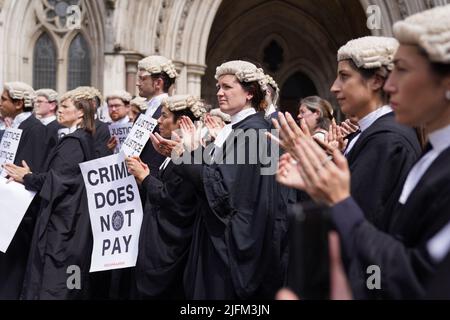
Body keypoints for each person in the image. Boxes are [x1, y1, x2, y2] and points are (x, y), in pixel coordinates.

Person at [277, 4, 450, 299]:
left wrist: (333, 191)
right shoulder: (429, 153)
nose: (391, 84)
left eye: (403, 70)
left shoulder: (391, 141)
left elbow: (416, 275)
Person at [177, 60, 286, 299]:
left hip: (233, 248)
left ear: (249, 93)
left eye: (227, 87)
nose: (219, 93)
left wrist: (188, 154)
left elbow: (222, 190)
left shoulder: (254, 132)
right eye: (218, 86)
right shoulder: (243, 129)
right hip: (224, 239)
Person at [5, 92, 96, 299]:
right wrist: (31, 175)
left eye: (65, 106)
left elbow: (58, 182)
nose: (60, 110)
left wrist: (27, 177)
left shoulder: (74, 142)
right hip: (71, 219)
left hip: (62, 223)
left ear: (80, 112)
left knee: (53, 280)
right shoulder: (83, 138)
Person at [126, 95, 207, 299]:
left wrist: (144, 177)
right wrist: (145, 176)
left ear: (180, 121)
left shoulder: (192, 156)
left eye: (164, 116)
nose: (158, 121)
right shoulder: (175, 151)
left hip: (171, 246)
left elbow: (174, 201)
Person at [0, 82, 49, 299]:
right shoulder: (15, 127)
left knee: (13, 270)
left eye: (4, 99)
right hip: (6, 207)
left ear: (19, 103)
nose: (0, 103)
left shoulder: (36, 129)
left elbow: (28, 170)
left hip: (19, 214)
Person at [136, 55, 178, 177]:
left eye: (143, 79)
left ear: (158, 83)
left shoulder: (172, 111)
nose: (138, 84)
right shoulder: (142, 111)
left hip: (157, 178)